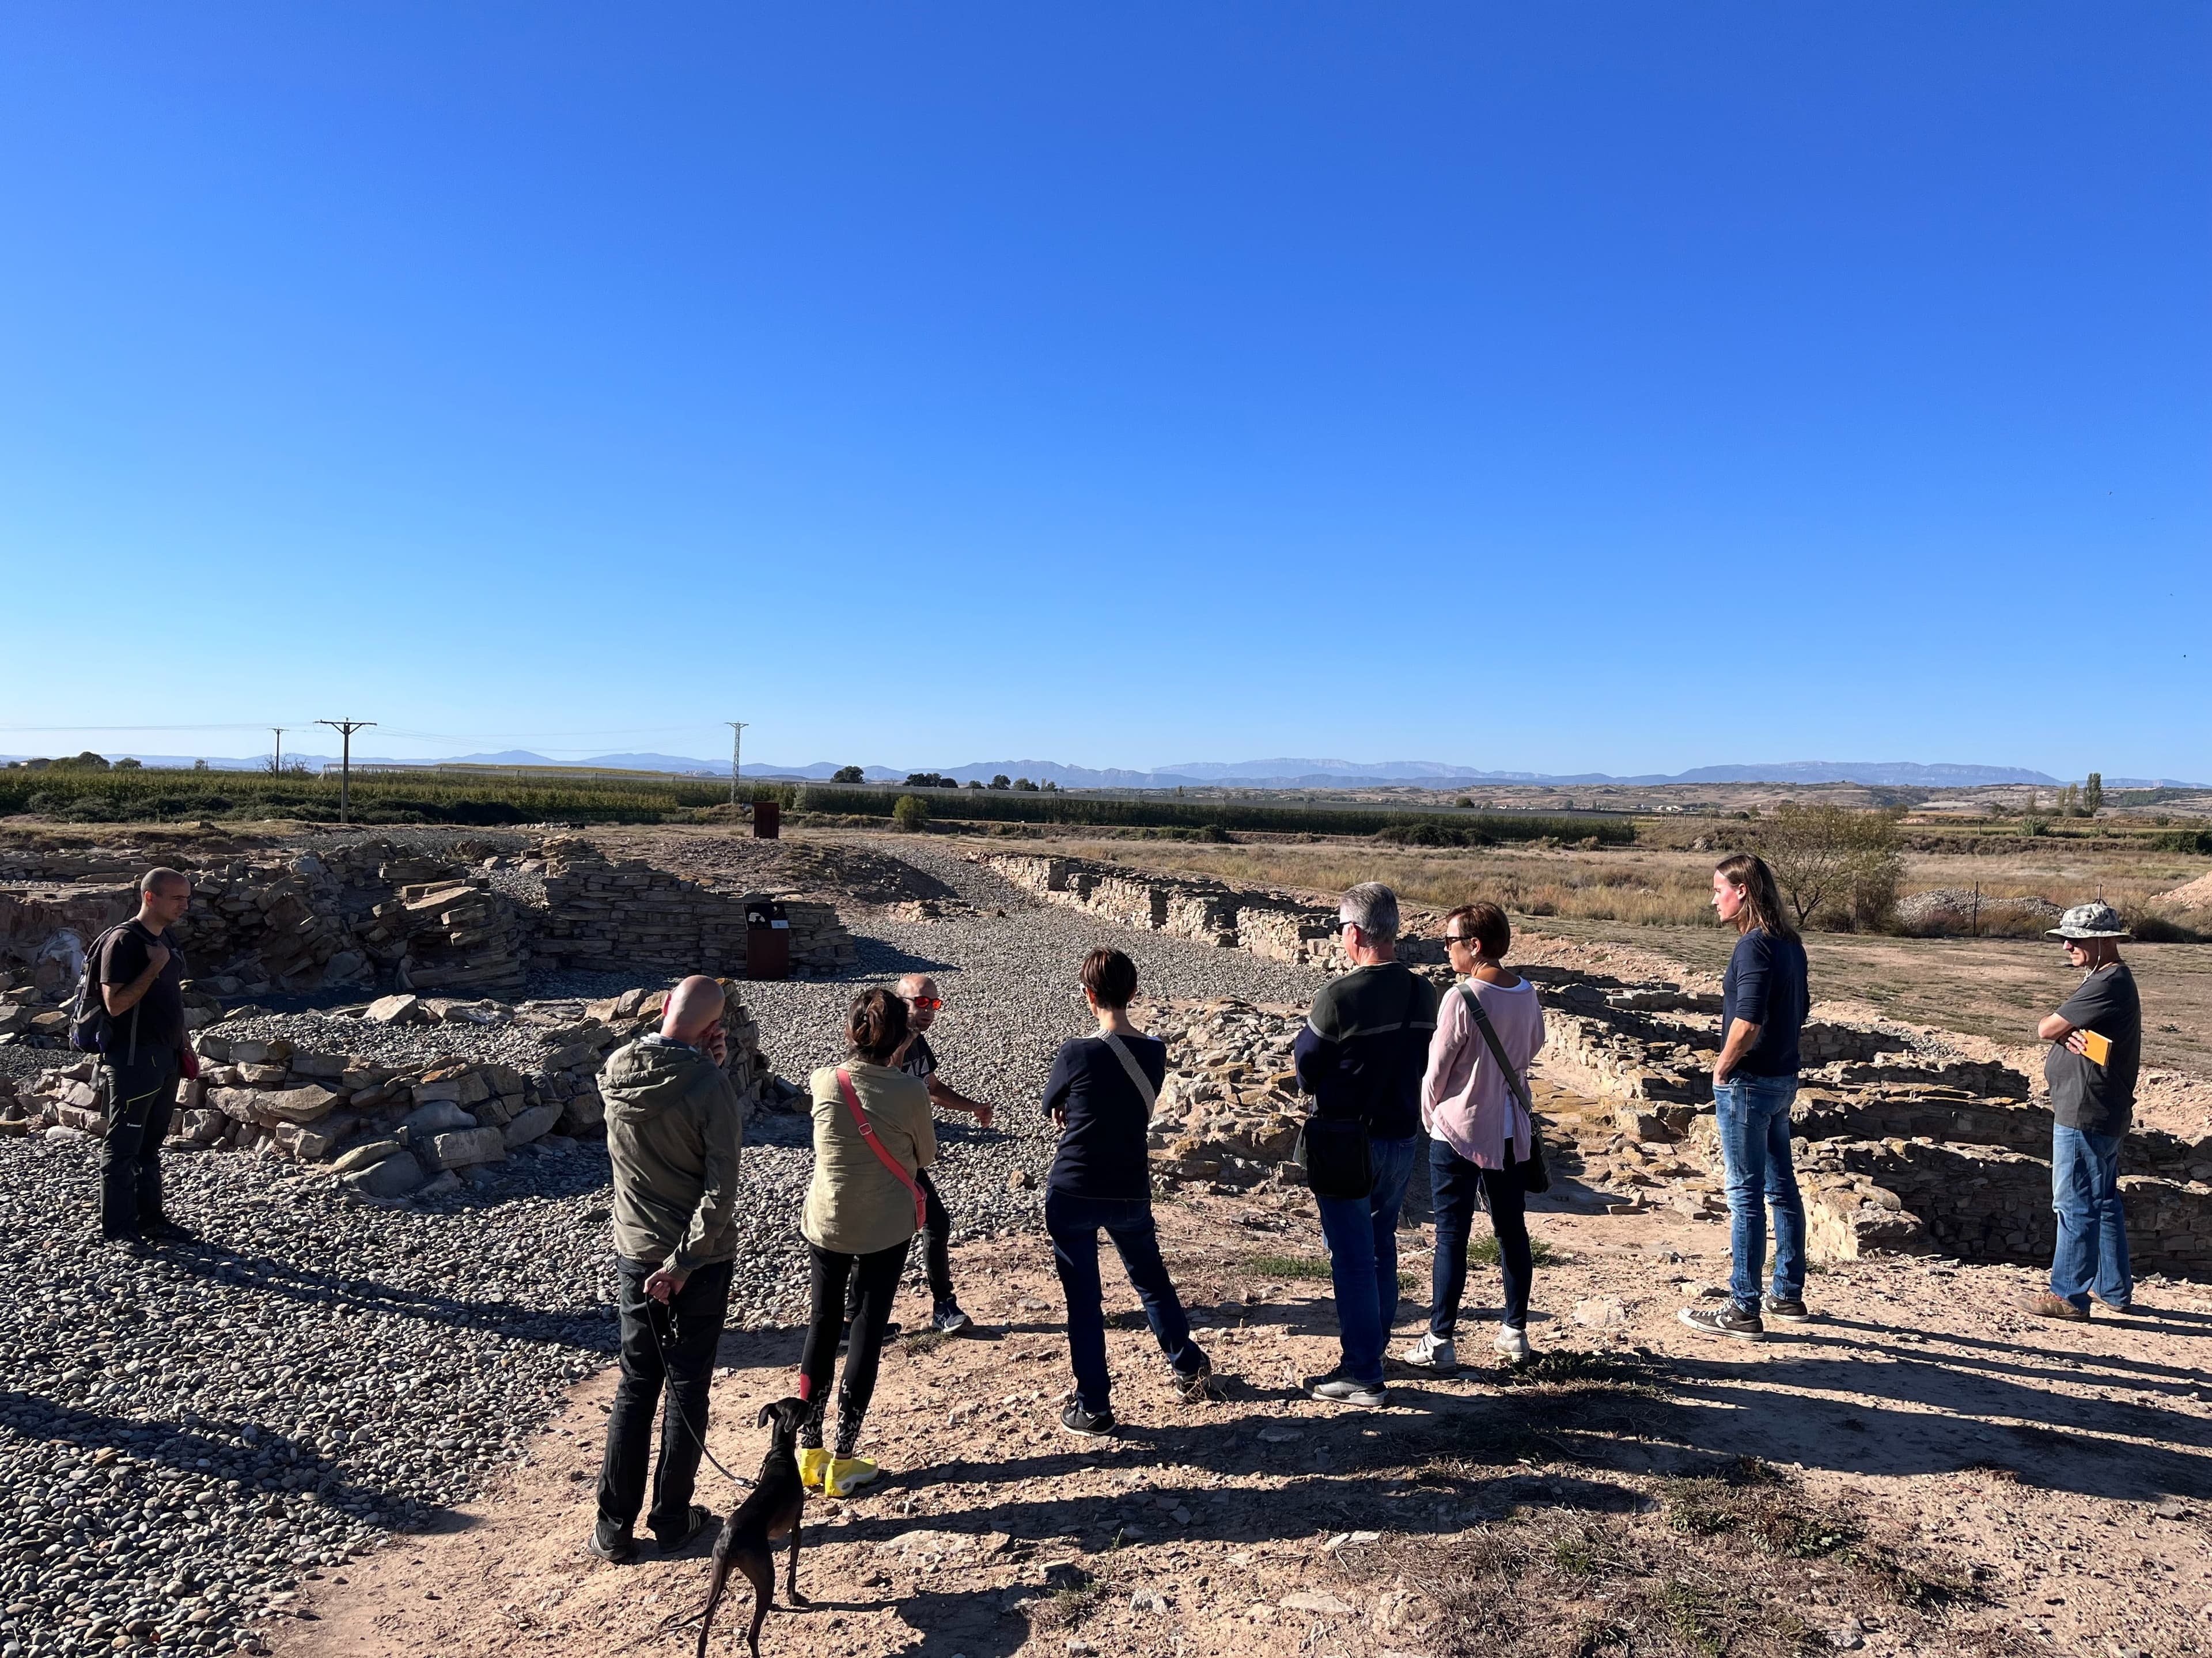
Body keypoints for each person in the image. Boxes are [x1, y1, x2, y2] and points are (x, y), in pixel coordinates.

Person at [590, 976, 745, 1564]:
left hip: (636, 1252)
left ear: (662, 1009)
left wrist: (705, 1064)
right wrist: (683, 1263)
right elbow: (720, 1190)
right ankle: (673, 1519)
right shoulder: (710, 1086)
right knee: (686, 1386)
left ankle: (613, 1526)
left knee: (636, 1385)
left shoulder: (615, 1070)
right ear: (714, 1030)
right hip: (699, 1260)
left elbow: (663, 1088)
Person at [1042, 948, 1211, 1436]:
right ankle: (1187, 1366)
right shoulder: (1155, 1051)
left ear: (1088, 995)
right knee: (1150, 1280)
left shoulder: (1077, 1051)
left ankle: (1094, 1405)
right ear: (1134, 992)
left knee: (1083, 1301)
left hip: (1074, 1185)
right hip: (1129, 1185)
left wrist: (1069, 1105)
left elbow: (1050, 1102)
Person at [1294, 882, 1439, 1406]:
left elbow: (1306, 1069)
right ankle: (1372, 1350)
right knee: (1381, 1246)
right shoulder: (1424, 992)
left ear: (1355, 933)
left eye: (1341, 930)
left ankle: (1361, 1373)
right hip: (1403, 1137)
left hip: (1347, 1142)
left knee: (1352, 1257)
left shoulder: (1339, 997)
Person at [798, 987, 935, 1496]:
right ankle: (844, 1457)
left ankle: (809, 1450)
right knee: (867, 1328)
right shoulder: (910, 1092)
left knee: (823, 1323)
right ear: (900, 1039)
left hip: (828, 1219)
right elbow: (926, 1157)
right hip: (884, 1224)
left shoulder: (824, 1081)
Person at [1677, 853, 1811, 1342]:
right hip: (1782, 1078)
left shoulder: (1753, 946)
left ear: (1743, 892)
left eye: (1719, 890)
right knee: (1782, 1187)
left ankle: (1742, 1308)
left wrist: (1723, 1067)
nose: (1713, 899)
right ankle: (1787, 1294)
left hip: (1750, 1082)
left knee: (1745, 1194)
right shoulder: (1790, 943)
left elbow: (1749, 1019)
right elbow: (1801, 1009)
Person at [1408, 902, 1546, 1369]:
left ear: (1475, 944)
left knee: (1452, 1235)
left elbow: (1437, 1069)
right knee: (1511, 1230)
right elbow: (1533, 1046)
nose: (1446, 949)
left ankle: (1440, 1339)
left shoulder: (1461, 997)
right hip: (1510, 1129)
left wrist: (1430, 1117)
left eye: (1451, 941)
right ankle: (1515, 1331)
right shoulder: (1526, 992)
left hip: (1460, 1128)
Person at [845, 973, 994, 1337]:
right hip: (877, 1153)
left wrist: (973, 1107)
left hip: (903, 1154)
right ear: (899, 1004)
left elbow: (931, 1087)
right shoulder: (880, 1043)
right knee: (878, 1233)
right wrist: (903, 1042)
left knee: (928, 1224)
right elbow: (883, 1083)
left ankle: (870, 1318)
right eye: (921, 1002)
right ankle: (858, 1321)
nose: (929, 1010)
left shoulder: (917, 1042)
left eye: (934, 1003)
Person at [2020, 903, 2141, 1321]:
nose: (2067, 946)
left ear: (2104, 941)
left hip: (2085, 1110)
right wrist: (2069, 1035)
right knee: (2102, 1200)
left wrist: (2062, 1032)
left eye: (2076, 939)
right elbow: (2066, 1032)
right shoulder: (2110, 978)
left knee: (2074, 1202)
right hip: (2102, 1107)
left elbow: (2046, 1028)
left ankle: (2068, 1294)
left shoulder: (2107, 982)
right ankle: (2113, 1289)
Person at [97, 868, 197, 1246]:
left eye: (187, 898)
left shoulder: (167, 937)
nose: (185, 905)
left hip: (166, 1055)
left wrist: (184, 1043)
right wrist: (154, 966)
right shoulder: (124, 941)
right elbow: (115, 1005)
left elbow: (172, 997)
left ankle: (151, 1221)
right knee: (123, 1146)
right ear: (150, 897)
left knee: (150, 1144)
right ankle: (119, 1230)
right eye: (177, 898)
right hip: (133, 1059)